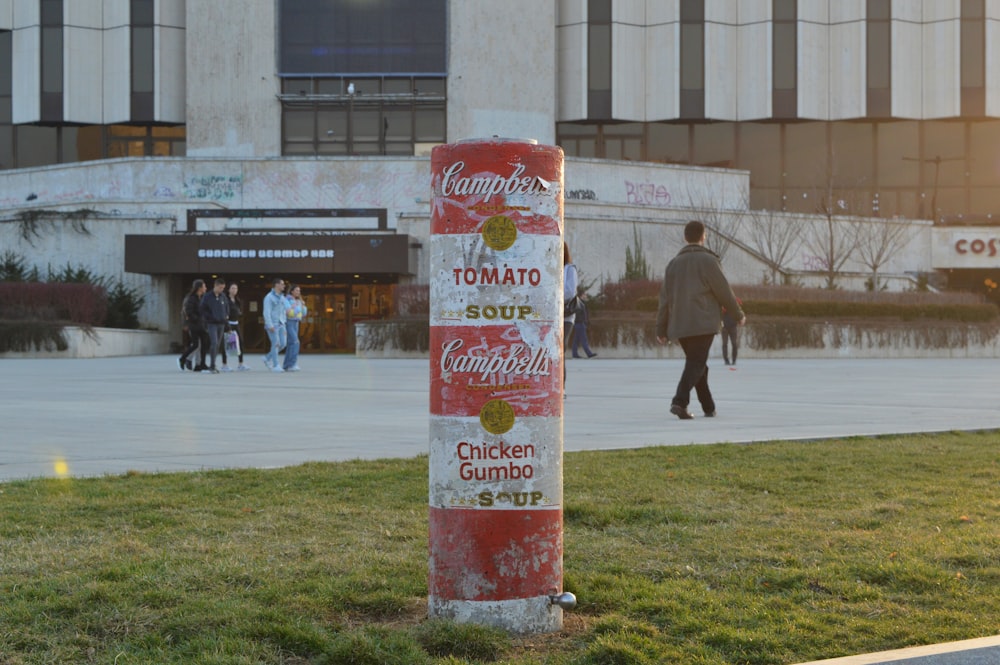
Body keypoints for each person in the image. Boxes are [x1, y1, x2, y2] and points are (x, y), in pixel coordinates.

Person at [656, 220, 745, 420]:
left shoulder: (673, 264)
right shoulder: (708, 261)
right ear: (703, 236)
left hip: (679, 325)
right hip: (703, 322)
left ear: (685, 237)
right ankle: (679, 401)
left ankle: (708, 406)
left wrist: (661, 329)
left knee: (696, 364)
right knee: (696, 362)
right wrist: (738, 314)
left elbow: (664, 299)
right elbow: (724, 292)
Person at [199, 277, 229, 374]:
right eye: (220, 287)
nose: (222, 290)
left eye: (223, 288)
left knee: (218, 345)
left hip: (221, 323)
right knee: (214, 343)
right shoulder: (207, 296)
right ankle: (212, 365)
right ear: (215, 286)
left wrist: (226, 318)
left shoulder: (223, 296)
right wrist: (209, 318)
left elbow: (226, 308)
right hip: (212, 323)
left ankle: (214, 364)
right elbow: (202, 309)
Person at [179, 279, 209, 371]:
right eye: (204, 286)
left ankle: (200, 364)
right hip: (194, 325)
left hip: (202, 324)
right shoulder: (191, 298)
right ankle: (184, 358)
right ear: (199, 288)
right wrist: (190, 322)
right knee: (196, 345)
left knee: (203, 344)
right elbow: (187, 312)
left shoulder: (202, 298)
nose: (206, 288)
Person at [221, 282, 250, 371]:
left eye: (236, 289)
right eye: (233, 288)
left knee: (240, 342)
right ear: (229, 289)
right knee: (226, 344)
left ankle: (240, 363)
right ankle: (224, 364)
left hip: (236, 323)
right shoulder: (225, 299)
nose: (234, 290)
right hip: (227, 323)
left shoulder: (237, 299)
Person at [262, 277, 287, 372]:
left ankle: (267, 358)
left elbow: (284, 309)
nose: (284, 286)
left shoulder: (282, 297)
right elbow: (266, 312)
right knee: (276, 343)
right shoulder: (269, 297)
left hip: (281, 323)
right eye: (282, 284)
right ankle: (276, 365)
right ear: (276, 285)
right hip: (273, 324)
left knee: (283, 344)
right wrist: (270, 325)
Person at [563, 243, 578, 396]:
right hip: (550, 316)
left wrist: (553, 294)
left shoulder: (569, 269)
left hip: (566, 315)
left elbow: (570, 291)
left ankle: (562, 387)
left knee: (560, 350)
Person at [283, 284, 307, 372]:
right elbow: (289, 313)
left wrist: (303, 307)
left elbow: (304, 313)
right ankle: (292, 364)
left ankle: (287, 364)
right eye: (296, 290)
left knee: (291, 343)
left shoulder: (298, 300)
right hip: (289, 322)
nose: (298, 292)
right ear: (292, 291)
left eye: (299, 291)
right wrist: (298, 309)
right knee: (295, 342)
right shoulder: (287, 300)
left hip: (296, 322)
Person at [571, 289, 597, 359]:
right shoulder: (579, 303)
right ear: (581, 295)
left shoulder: (580, 303)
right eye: (585, 294)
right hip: (580, 323)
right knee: (583, 339)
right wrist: (584, 321)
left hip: (579, 323)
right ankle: (589, 353)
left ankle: (574, 353)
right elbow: (580, 314)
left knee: (576, 340)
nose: (586, 296)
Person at [721, 297, 743, 366]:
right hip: (724, 327)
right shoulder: (724, 304)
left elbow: (739, 311)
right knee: (725, 344)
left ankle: (734, 360)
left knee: (734, 344)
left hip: (733, 327)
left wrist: (740, 320)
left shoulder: (735, 303)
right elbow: (721, 312)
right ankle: (726, 360)